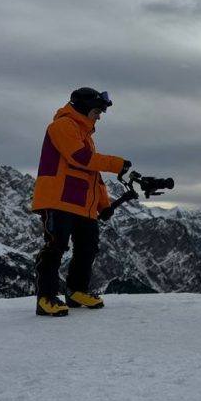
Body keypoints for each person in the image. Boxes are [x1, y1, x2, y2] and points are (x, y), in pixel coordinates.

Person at [31, 88, 130, 317]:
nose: (99, 116)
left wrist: (103, 205)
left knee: (88, 247)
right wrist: (117, 164)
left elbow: (93, 176)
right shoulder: (62, 126)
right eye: (97, 110)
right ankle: (46, 297)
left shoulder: (85, 136)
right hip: (57, 199)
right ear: (84, 108)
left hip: (81, 203)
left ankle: (76, 292)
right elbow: (80, 158)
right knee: (55, 246)